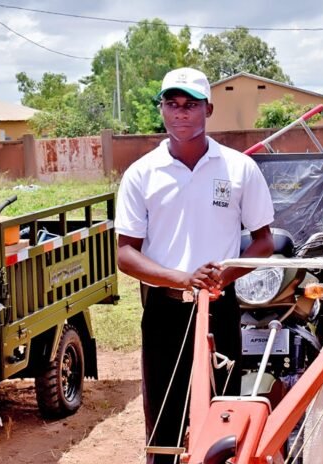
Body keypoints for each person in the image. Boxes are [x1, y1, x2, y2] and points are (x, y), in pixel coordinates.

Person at [114, 67, 275, 464]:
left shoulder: (238, 168)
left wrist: (223, 275)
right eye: (172, 104)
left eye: (190, 105)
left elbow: (264, 242)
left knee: (222, 416)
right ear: (162, 110)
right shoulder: (141, 174)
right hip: (165, 311)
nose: (181, 113)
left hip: (219, 307)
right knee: (165, 423)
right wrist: (182, 279)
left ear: (209, 109)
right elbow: (125, 253)